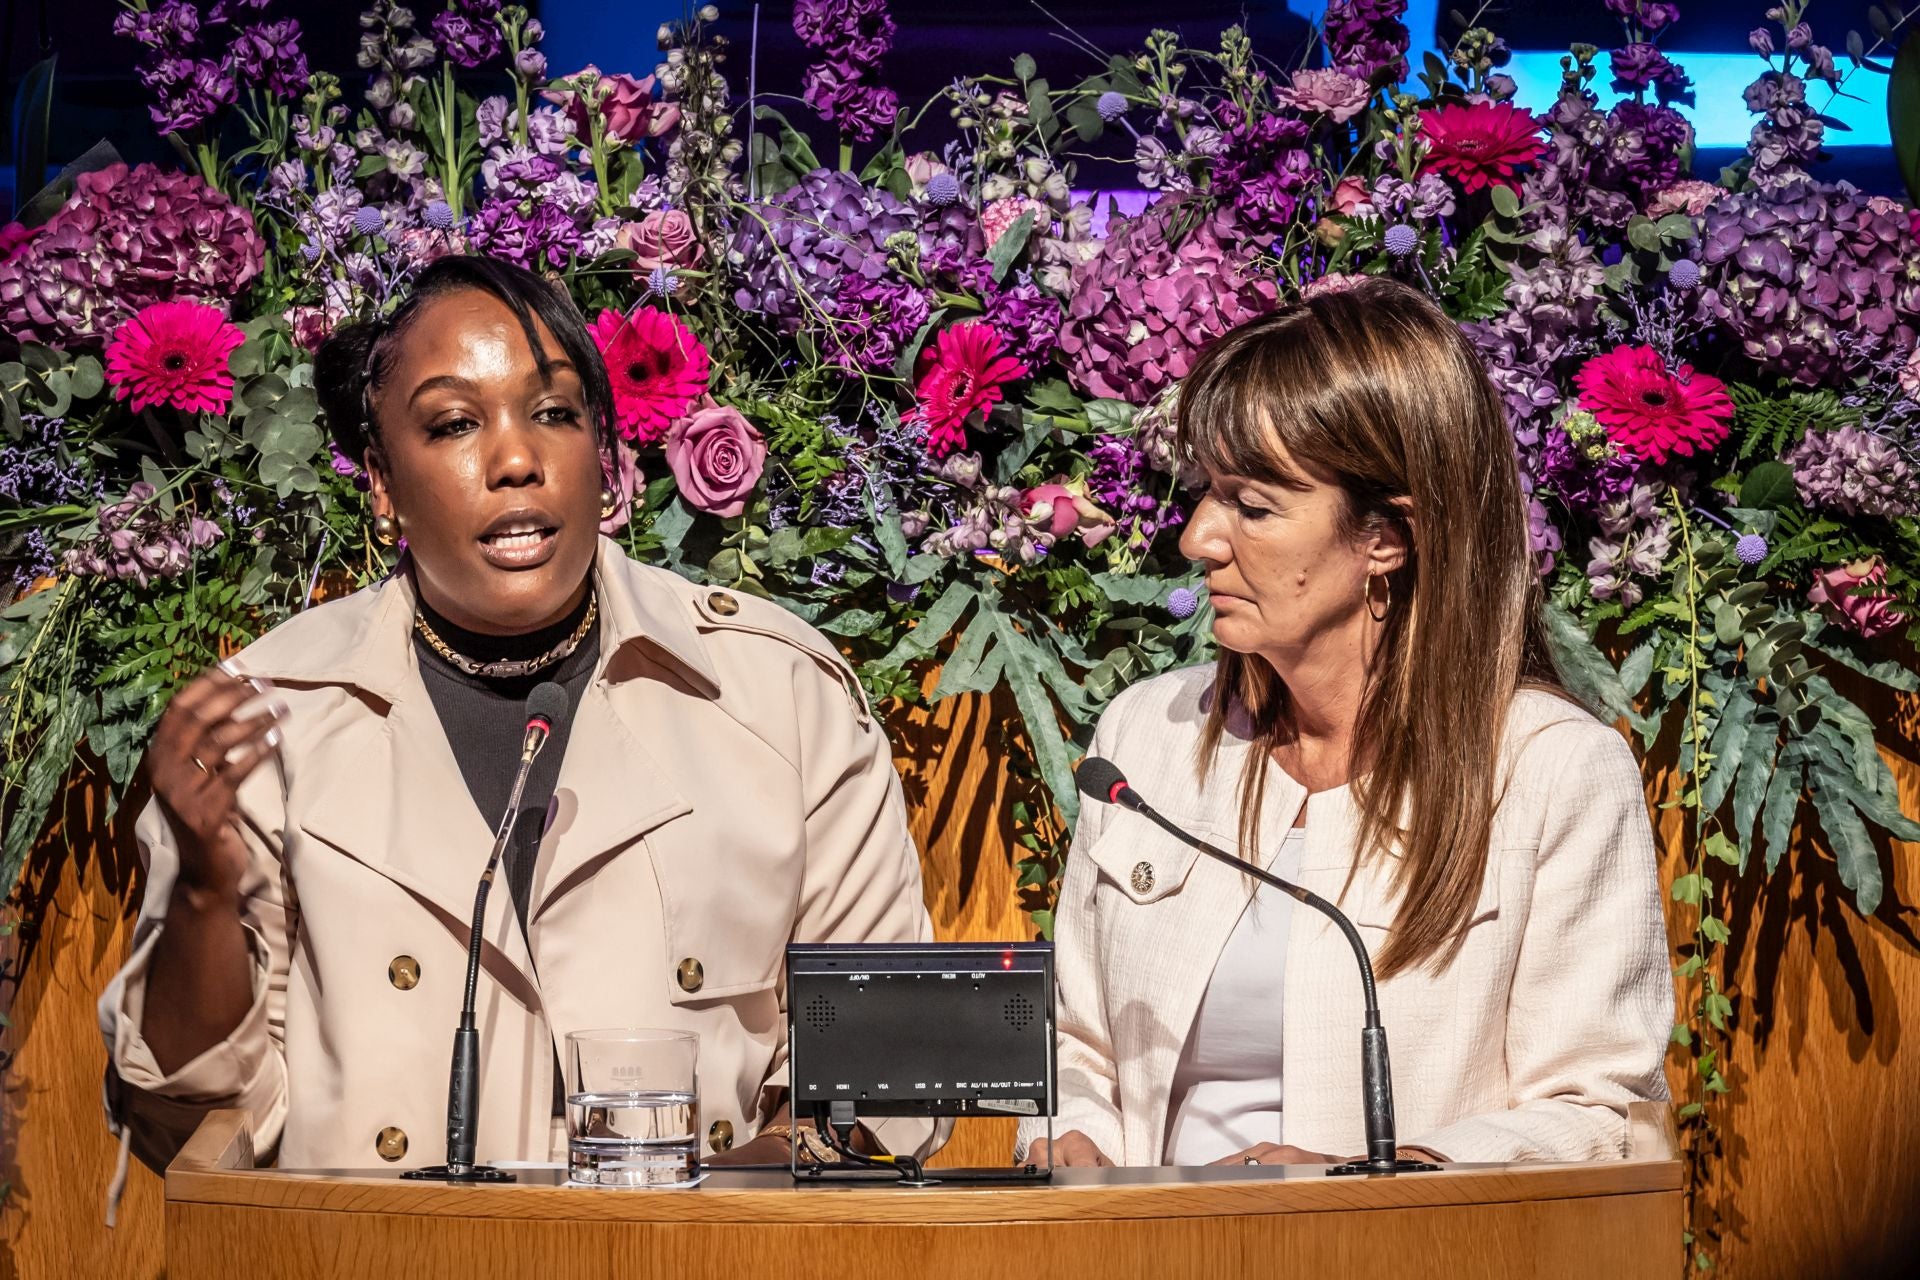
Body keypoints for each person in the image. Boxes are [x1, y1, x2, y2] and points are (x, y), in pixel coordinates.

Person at [98, 256, 941, 1174]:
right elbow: (189, 1117)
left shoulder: (778, 696)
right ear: (380, 482)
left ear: (606, 452)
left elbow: (886, 1081)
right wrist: (204, 895)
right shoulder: (274, 719)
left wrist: (704, 1213)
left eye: (555, 412)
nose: (516, 461)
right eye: (455, 423)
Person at [1018, 279, 1672, 1169]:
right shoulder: (1144, 738)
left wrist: (1361, 1184)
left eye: (1252, 505)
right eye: (1208, 493)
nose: (1200, 538)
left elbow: (1602, 1117)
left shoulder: (1553, 772)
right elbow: (1075, 1046)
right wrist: (1072, 1147)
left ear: (1387, 539)